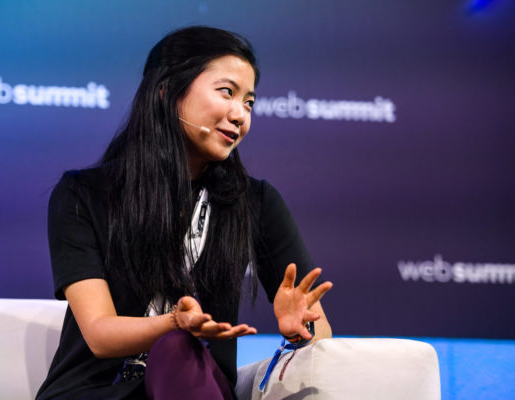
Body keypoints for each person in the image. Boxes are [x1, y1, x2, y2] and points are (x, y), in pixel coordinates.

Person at [36, 26, 333, 400]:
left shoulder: (255, 202)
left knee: (178, 352)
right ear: (167, 91)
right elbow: (99, 333)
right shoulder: (82, 194)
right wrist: (175, 323)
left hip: (193, 385)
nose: (240, 114)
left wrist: (296, 331)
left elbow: (320, 331)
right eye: (227, 92)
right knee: (174, 343)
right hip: (91, 392)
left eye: (249, 102)